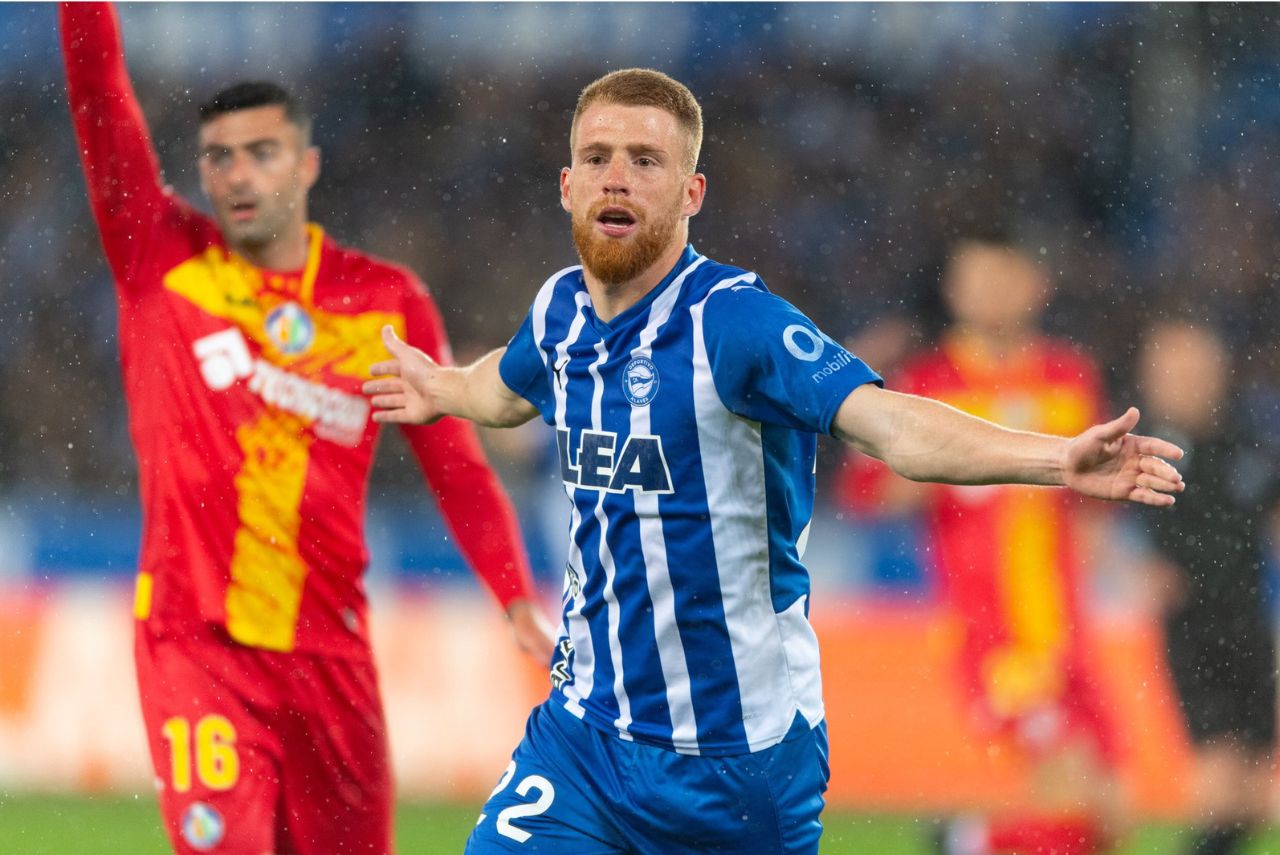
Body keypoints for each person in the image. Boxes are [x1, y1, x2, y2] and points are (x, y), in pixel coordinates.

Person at [363, 68, 1184, 854]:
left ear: (691, 194)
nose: (616, 177)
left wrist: (1056, 460)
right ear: (568, 185)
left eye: (645, 160)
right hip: (584, 736)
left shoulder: (737, 325)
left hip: (738, 758)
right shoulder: (559, 313)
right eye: (597, 157)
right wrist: (443, 387)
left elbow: (890, 425)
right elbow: (507, 389)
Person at [59, 4, 555, 854]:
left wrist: (513, 593)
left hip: (332, 660)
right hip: (199, 649)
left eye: (262, 152)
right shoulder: (160, 257)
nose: (239, 174)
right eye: (219, 156)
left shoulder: (382, 302)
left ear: (307, 163)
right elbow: (100, 94)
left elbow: (455, 466)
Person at [838, 238, 1127, 854]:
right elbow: (865, 495)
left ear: (1035, 285)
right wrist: (940, 464)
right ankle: (964, 839)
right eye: (977, 280)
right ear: (955, 291)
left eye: (1003, 277)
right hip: (994, 629)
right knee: (1070, 791)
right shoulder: (927, 383)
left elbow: (1093, 505)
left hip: (1066, 628)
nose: (990, 293)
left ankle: (967, 838)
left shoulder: (1069, 376)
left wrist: (1123, 565)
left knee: (1110, 816)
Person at [1137, 319, 1279, 855]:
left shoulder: (1250, 448)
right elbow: (1091, 525)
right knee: (1217, 780)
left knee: (1256, 791)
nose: (1187, 382)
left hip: (1250, 626)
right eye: (1174, 371)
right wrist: (1135, 570)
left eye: (1197, 369)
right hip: (1194, 632)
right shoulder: (1138, 451)